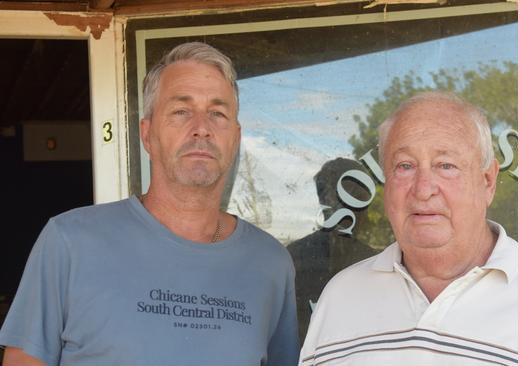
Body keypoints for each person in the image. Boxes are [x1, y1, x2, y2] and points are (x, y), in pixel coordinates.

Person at [0, 42, 298, 366]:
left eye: (218, 113)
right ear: (147, 133)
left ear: (235, 138)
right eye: (181, 111)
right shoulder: (69, 243)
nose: (202, 128)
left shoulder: (270, 265)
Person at [299, 91, 518, 365]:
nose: (423, 187)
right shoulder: (340, 297)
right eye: (405, 166)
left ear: (487, 181)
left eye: (446, 165)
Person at [287, 158, 377, 340]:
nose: (348, 209)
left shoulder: (380, 265)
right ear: (323, 201)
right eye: (337, 198)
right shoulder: (292, 260)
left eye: (358, 199)